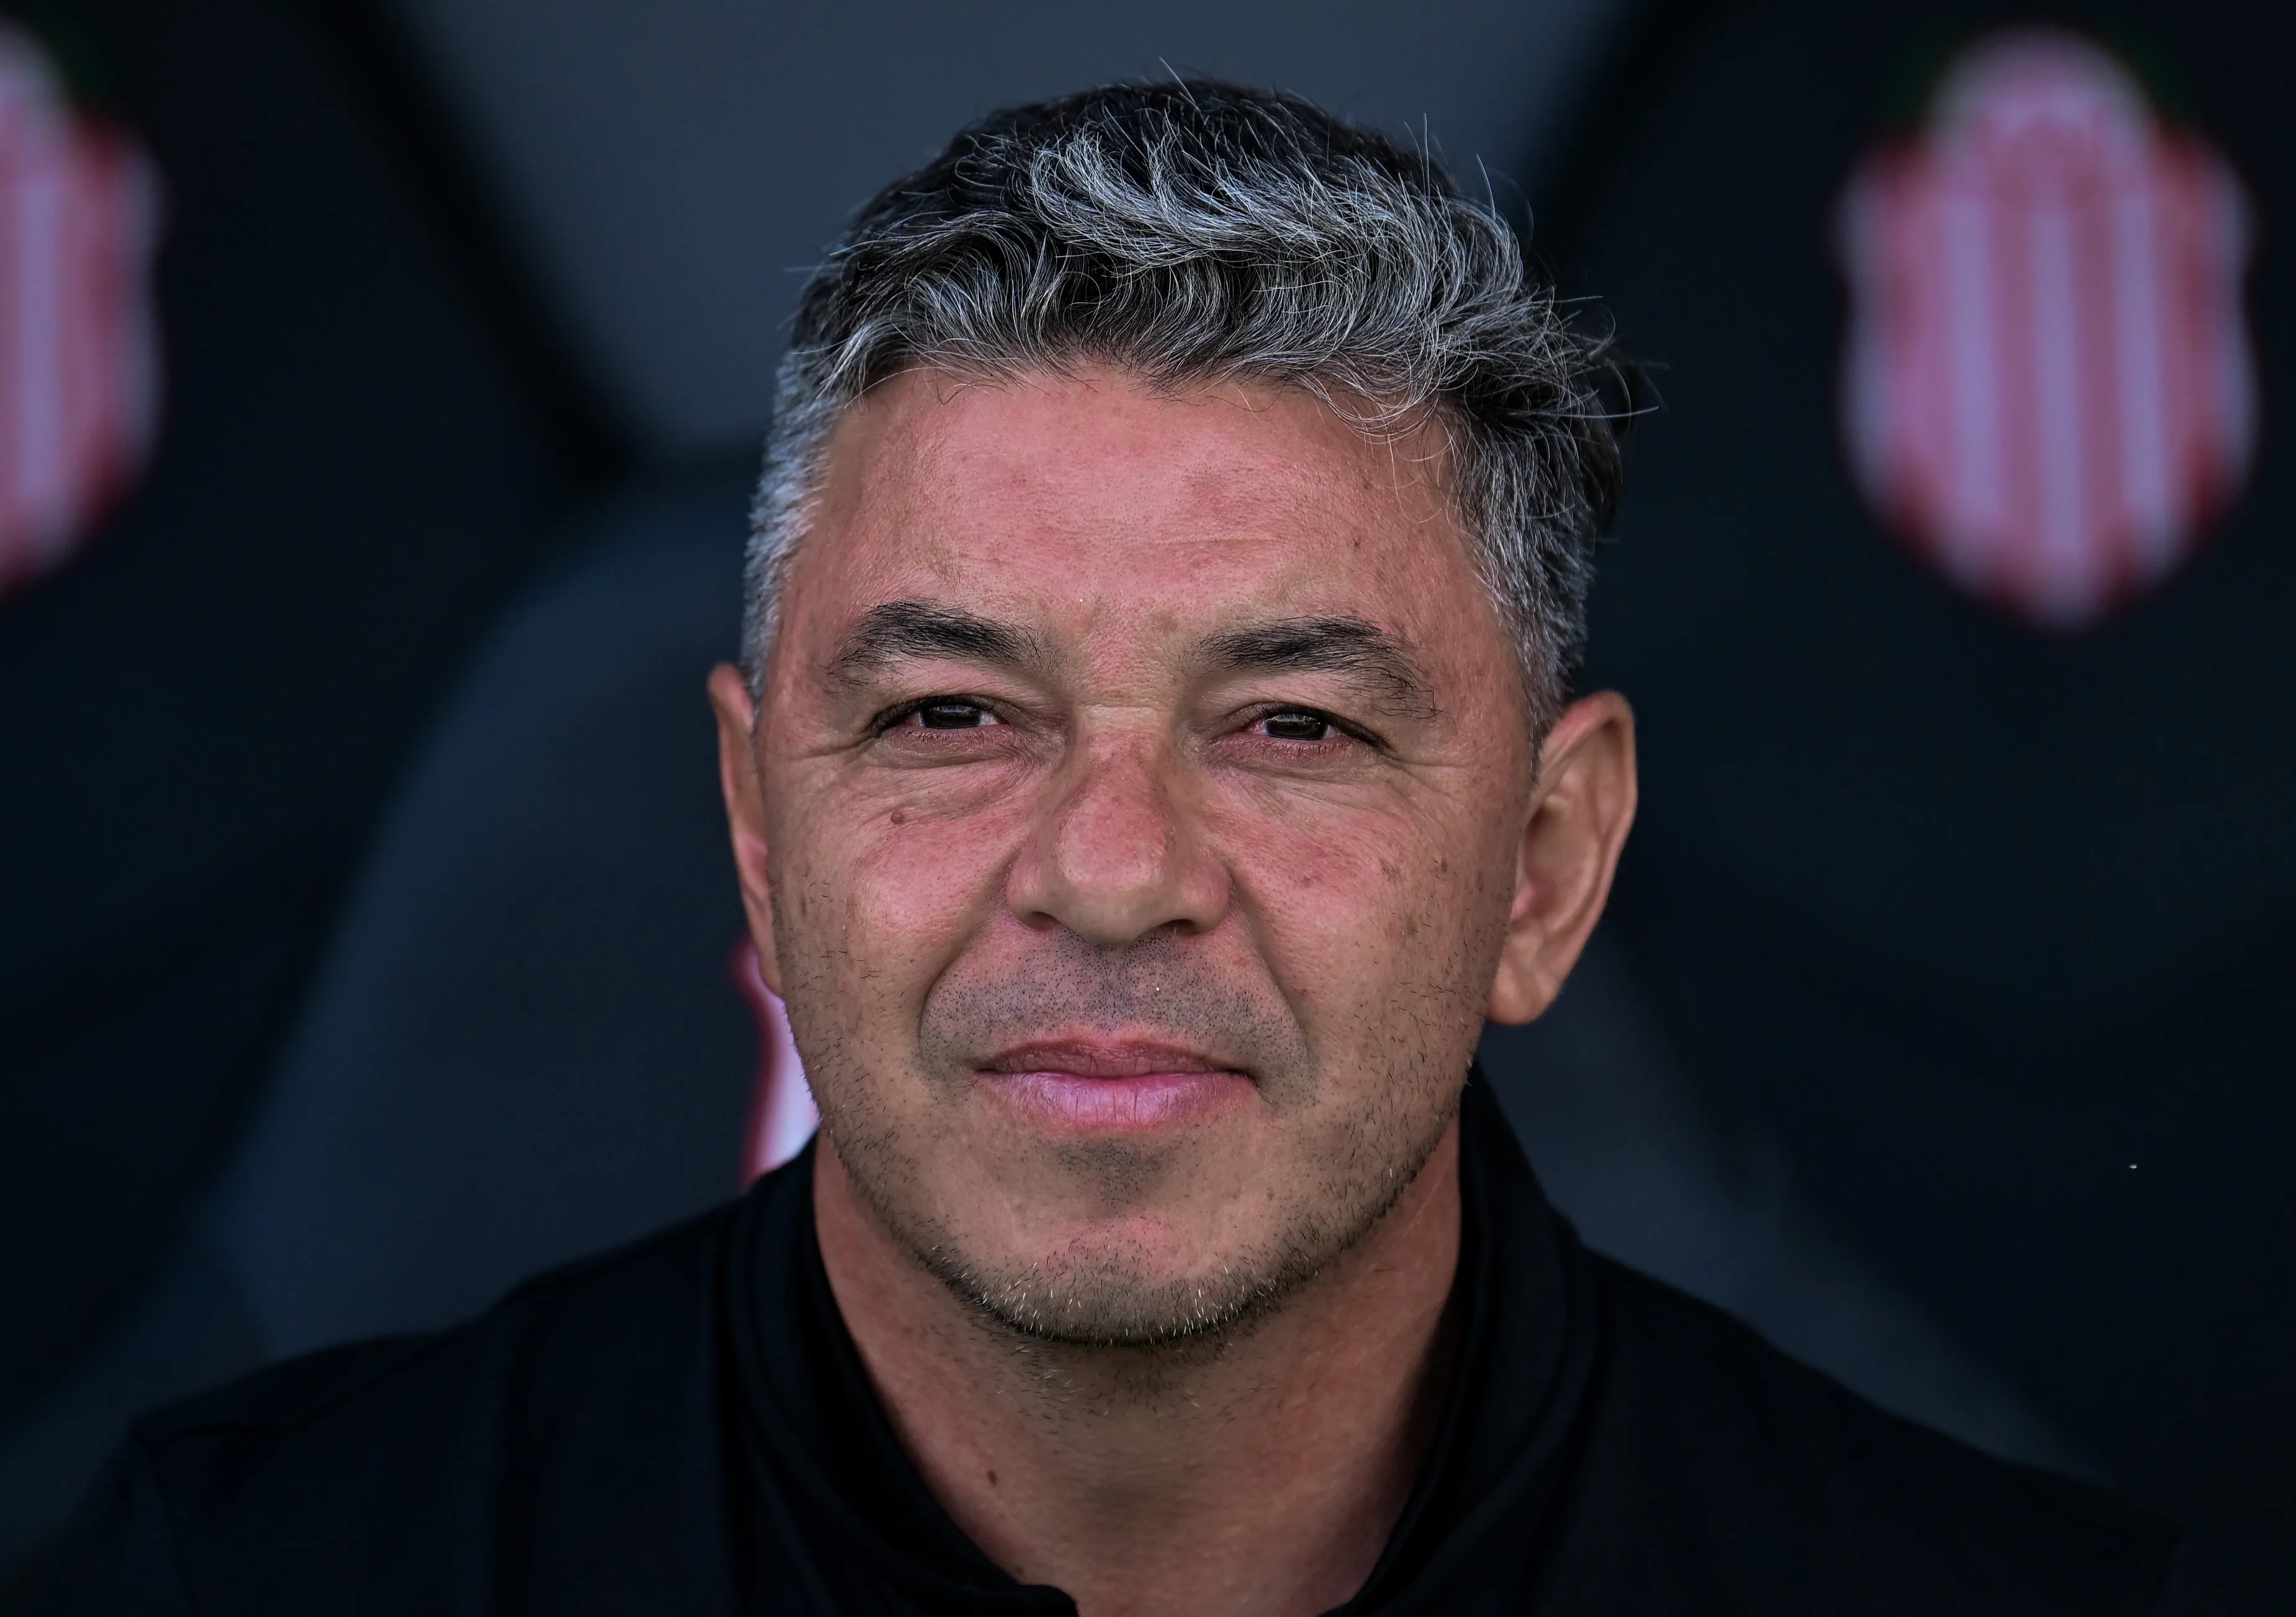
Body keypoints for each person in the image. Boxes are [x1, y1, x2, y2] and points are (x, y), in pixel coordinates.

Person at [29, 82, 2211, 1616]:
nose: (1106, 866)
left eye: (1288, 724)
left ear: (1543, 864)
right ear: (755, 831)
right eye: (953, 714)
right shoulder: (252, 1578)